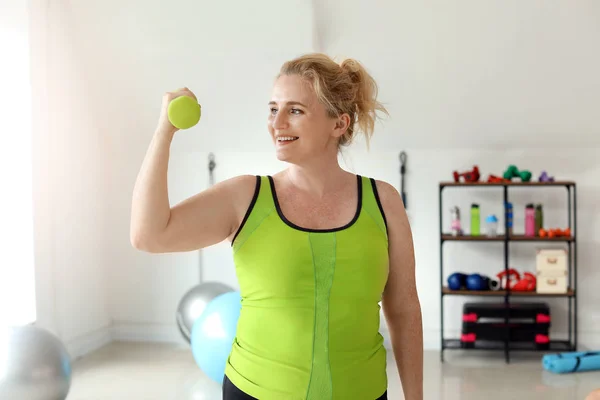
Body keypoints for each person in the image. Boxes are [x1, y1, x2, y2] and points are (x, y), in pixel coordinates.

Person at [130, 53, 423, 400]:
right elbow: (149, 234)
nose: (277, 122)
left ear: (339, 124)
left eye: (295, 110)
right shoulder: (245, 196)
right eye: (273, 109)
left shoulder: (384, 201)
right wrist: (165, 129)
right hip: (254, 391)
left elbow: (404, 310)